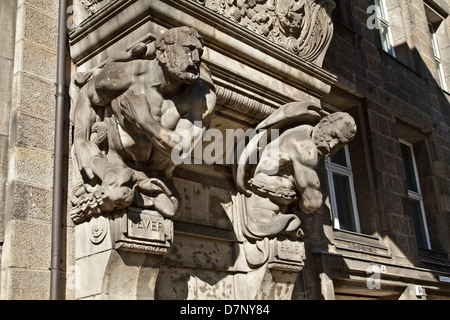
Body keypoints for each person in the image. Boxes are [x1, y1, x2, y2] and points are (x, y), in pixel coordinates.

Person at [70, 26, 217, 223]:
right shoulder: (128, 76)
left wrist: (144, 121)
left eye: (199, 52)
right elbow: (86, 95)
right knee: (119, 192)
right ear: (162, 53)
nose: (196, 58)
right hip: (116, 165)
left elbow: (182, 149)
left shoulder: (201, 96)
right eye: (188, 49)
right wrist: (80, 139)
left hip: (158, 177)